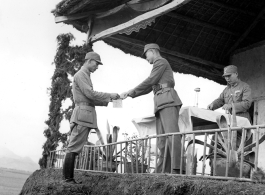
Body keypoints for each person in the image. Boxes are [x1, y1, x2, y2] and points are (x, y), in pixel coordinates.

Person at [121, 43, 183, 174]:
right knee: (162, 140)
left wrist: (132, 90)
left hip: (168, 100)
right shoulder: (158, 64)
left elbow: (150, 80)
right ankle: (163, 171)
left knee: (172, 135)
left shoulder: (160, 62)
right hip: (161, 101)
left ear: (152, 51)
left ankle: (178, 169)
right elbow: (150, 86)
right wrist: (131, 94)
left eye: (146, 54)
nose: (146, 57)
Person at [62, 51, 120, 184]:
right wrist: (109, 95)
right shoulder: (81, 75)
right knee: (73, 147)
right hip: (82, 115)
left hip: (86, 114)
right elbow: (90, 94)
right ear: (89, 61)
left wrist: (110, 100)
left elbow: (89, 98)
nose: (97, 67)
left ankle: (68, 179)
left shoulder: (85, 75)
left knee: (75, 147)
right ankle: (67, 179)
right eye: (96, 63)